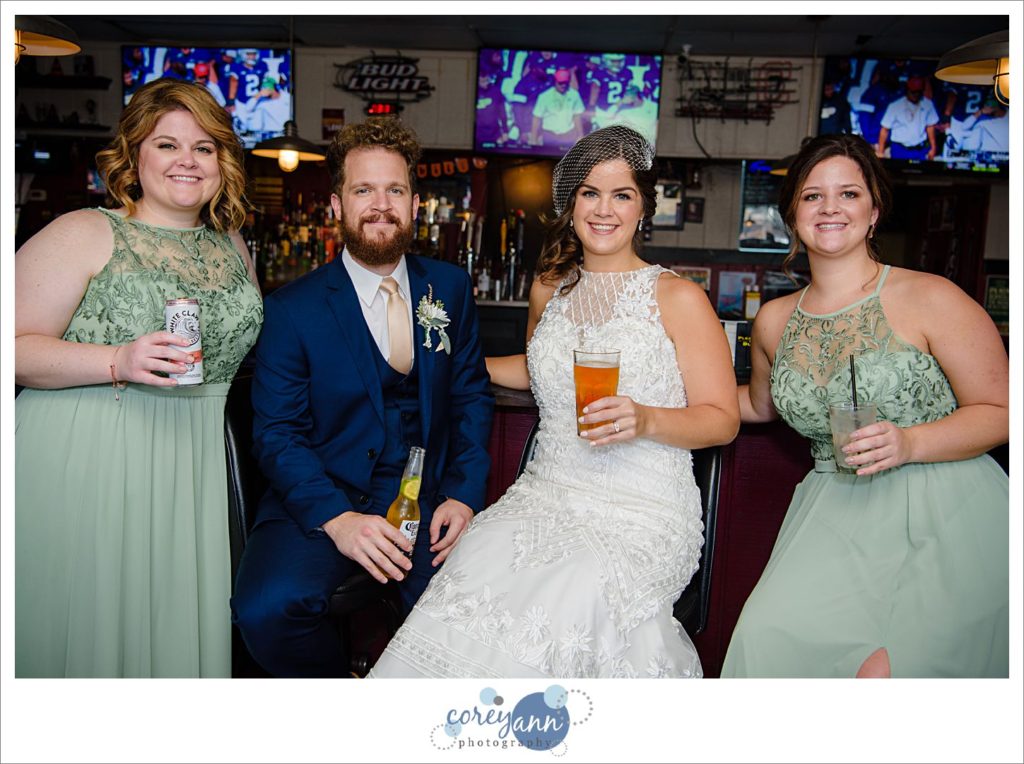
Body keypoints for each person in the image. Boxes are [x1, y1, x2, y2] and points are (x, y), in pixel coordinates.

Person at [370, 125, 739, 678]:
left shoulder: (679, 297)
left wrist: (646, 418)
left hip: (642, 511)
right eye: (589, 192)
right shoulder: (551, 286)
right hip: (546, 495)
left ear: (644, 208)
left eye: (621, 194)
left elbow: (723, 419)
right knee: (470, 565)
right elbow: (538, 369)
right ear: (570, 205)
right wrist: (444, 366)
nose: (604, 209)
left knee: (570, 595)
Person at [721, 133, 1008, 678]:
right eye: (812, 196)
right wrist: (658, 399)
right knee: (766, 637)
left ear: (874, 212)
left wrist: (911, 441)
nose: (830, 207)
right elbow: (759, 405)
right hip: (835, 511)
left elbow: (1001, 408)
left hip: (945, 509)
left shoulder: (931, 296)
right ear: (793, 215)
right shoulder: (775, 320)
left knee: (884, 676)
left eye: (848, 194)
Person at [15, 78, 263, 677]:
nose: (187, 161)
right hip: (93, 452)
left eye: (204, 147)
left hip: (194, 460)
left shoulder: (231, 243)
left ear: (222, 161)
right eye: (166, 144)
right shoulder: (86, 231)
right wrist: (115, 360)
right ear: (133, 155)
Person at [230, 117, 494, 678]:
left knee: (469, 622)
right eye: (363, 190)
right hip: (325, 498)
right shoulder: (292, 310)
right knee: (266, 610)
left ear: (415, 203)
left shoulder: (447, 287)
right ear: (336, 205)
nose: (381, 205)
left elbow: (471, 399)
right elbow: (277, 434)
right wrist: (339, 520)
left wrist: (463, 495)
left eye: (394, 190)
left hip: (427, 505)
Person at [876, 75, 939, 160]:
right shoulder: (895, 106)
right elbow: (884, 129)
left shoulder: (927, 104)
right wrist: (880, 151)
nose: (915, 95)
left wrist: (933, 147)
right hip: (900, 149)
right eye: (913, 92)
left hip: (919, 149)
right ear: (907, 90)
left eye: (918, 92)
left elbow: (930, 126)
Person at [529, 68, 585, 151]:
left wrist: (580, 135)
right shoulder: (544, 96)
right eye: (560, 83)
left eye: (565, 83)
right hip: (550, 135)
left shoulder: (574, 95)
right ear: (554, 82)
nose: (563, 85)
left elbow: (577, 116)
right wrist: (533, 138)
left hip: (568, 134)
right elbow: (537, 118)